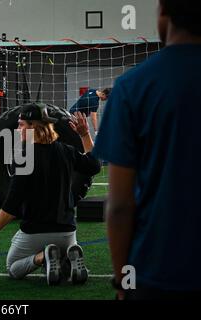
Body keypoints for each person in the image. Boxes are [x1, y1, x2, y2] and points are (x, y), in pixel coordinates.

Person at [93, 0, 201, 300]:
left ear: (164, 15)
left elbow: (119, 206)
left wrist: (123, 282)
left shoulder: (132, 87)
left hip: (156, 272)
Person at [0, 104, 101, 285]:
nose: (18, 129)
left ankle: (43, 257)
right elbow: (94, 166)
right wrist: (84, 134)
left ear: (32, 127)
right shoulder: (66, 151)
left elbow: (12, 204)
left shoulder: (23, 158)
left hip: (35, 232)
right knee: (62, 251)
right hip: (66, 231)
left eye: (21, 125)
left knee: (13, 267)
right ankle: (69, 255)